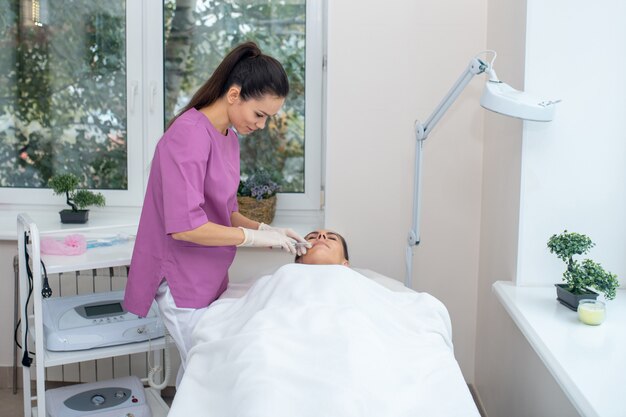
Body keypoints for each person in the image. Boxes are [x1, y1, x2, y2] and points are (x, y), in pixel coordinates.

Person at [123, 41, 310, 385]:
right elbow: (185, 227)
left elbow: (226, 212)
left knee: (203, 372)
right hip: (184, 280)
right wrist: (253, 238)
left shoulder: (228, 137)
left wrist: (269, 229)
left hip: (211, 275)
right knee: (208, 377)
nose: (262, 125)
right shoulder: (188, 135)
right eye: (259, 115)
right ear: (235, 94)